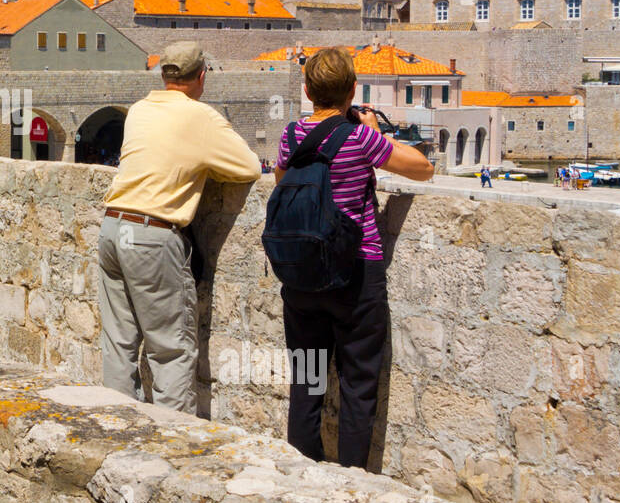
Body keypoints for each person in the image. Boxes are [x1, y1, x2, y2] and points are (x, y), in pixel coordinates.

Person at [273, 47, 433, 469]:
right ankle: (351, 483)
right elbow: (422, 168)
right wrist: (377, 132)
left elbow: (281, 182)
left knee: (306, 383)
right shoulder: (360, 137)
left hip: (304, 277)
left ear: (306, 90)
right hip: (356, 275)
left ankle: (300, 474)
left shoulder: (290, 137)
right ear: (353, 91)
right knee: (358, 387)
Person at [97, 42, 261, 414]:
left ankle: (118, 433)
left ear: (164, 75)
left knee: (119, 343)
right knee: (171, 350)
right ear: (202, 76)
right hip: (151, 235)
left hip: (113, 226)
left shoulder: (138, 110)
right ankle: (173, 447)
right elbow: (250, 167)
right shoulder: (199, 116)